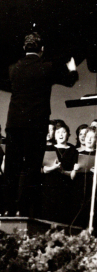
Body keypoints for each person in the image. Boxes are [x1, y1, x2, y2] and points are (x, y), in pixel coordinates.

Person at [3, 32, 78, 216]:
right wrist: (72, 68)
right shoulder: (47, 67)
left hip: (14, 124)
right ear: (42, 50)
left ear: (24, 48)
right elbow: (70, 81)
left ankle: (7, 209)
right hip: (36, 125)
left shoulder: (13, 68)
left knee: (11, 168)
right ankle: (26, 210)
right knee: (32, 167)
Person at [41, 121, 78, 223]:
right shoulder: (48, 148)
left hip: (66, 187)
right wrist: (53, 168)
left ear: (68, 135)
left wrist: (62, 171)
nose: (61, 135)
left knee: (64, 215)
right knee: (48, 215)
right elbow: (43, 169)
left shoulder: (73, 151)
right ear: (54, 136)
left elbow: (73, 174)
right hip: (49, 186)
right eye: (58, 132)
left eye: (63, 132)